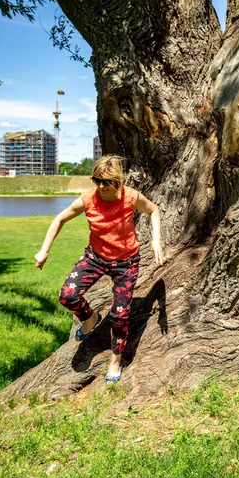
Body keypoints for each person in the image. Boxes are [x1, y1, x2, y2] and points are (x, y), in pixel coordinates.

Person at [34, 155, 163, 384]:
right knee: (68, 295)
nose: (101, 186)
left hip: (126, 262)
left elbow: (153, 210)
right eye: (97, 180)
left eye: (107, 182)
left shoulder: (130, 197)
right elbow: (60, 218)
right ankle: (91, 318)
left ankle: (115, 360)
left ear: (118, 181)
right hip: (95, 257)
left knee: (120, 314)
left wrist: (156, 241)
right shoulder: (88, 199)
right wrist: (44, 250)